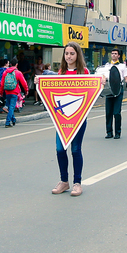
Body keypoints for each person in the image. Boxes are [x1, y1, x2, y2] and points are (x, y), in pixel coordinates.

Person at [51, 42, 90, 197]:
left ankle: (77, 183)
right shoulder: (61, 72)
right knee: (60, 149)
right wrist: (39, 84)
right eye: (66, 53)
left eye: (72, 53)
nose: (69, 56)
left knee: (75, 150)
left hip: (78, 118)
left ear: (77, 55)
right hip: (62, 119)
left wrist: (101, 82)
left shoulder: (84, 72)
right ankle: (64, 181)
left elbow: (91, 91)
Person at [98, 48, 127, 139]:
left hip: (118, 90)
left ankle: (117, 132)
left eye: (115, 53)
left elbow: (126, 78)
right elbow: (103, 76)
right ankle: (109, 132)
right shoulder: (107, 66)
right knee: (108, 112)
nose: (113, 55)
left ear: (119, 56)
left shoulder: (122, 66)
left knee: (116, 112)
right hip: (109, 90)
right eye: (112, 53)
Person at [0, 59, 28, 127]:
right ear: (16, 64)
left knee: (10, 107)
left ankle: (13, 120)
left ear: (10, 64)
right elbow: (24, 83)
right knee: (12, 107)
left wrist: (1, 92)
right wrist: (26, 91)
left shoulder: (5, 72)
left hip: (7, 91)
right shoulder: (18, 73)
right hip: (15, 92)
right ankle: (7, 122)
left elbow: (2, 83)